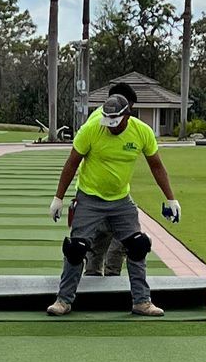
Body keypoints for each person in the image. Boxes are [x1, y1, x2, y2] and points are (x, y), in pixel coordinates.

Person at [48, 82, 181, 316]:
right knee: (76, 248)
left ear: (127, 115)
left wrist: (171, 199)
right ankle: (64, 300)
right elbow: (72, 163)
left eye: (115, 121)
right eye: (107, 120)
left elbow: (156, 166)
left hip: (121, 199)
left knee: (138, 245)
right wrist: (58, 198)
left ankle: (142, 301)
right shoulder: (91, 129)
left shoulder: (142, 132)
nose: (110, 126)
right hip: (89, 197)